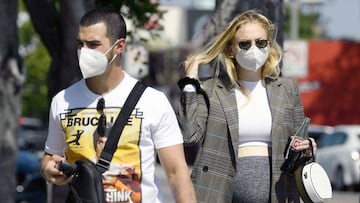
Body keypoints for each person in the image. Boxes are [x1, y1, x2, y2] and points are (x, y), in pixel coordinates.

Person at [40, 7, 196, 203]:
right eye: (80, 44)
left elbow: (176, 174)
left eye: (93, 44)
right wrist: (48, 168)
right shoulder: (62, 101)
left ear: (119, 46)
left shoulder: (152, 101)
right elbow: (50, 156)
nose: (84, 52)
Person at [177, 10, 317, 203]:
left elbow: (298, 143)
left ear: (269, 45)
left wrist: (307, 147)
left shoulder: (286, 89)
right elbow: (189, 135)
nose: (254, 49)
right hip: (218, 193)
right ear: (230, 50)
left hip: (279, 193)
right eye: (245, 44)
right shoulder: (212, 89)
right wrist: (190, 83)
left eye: (261, 42)